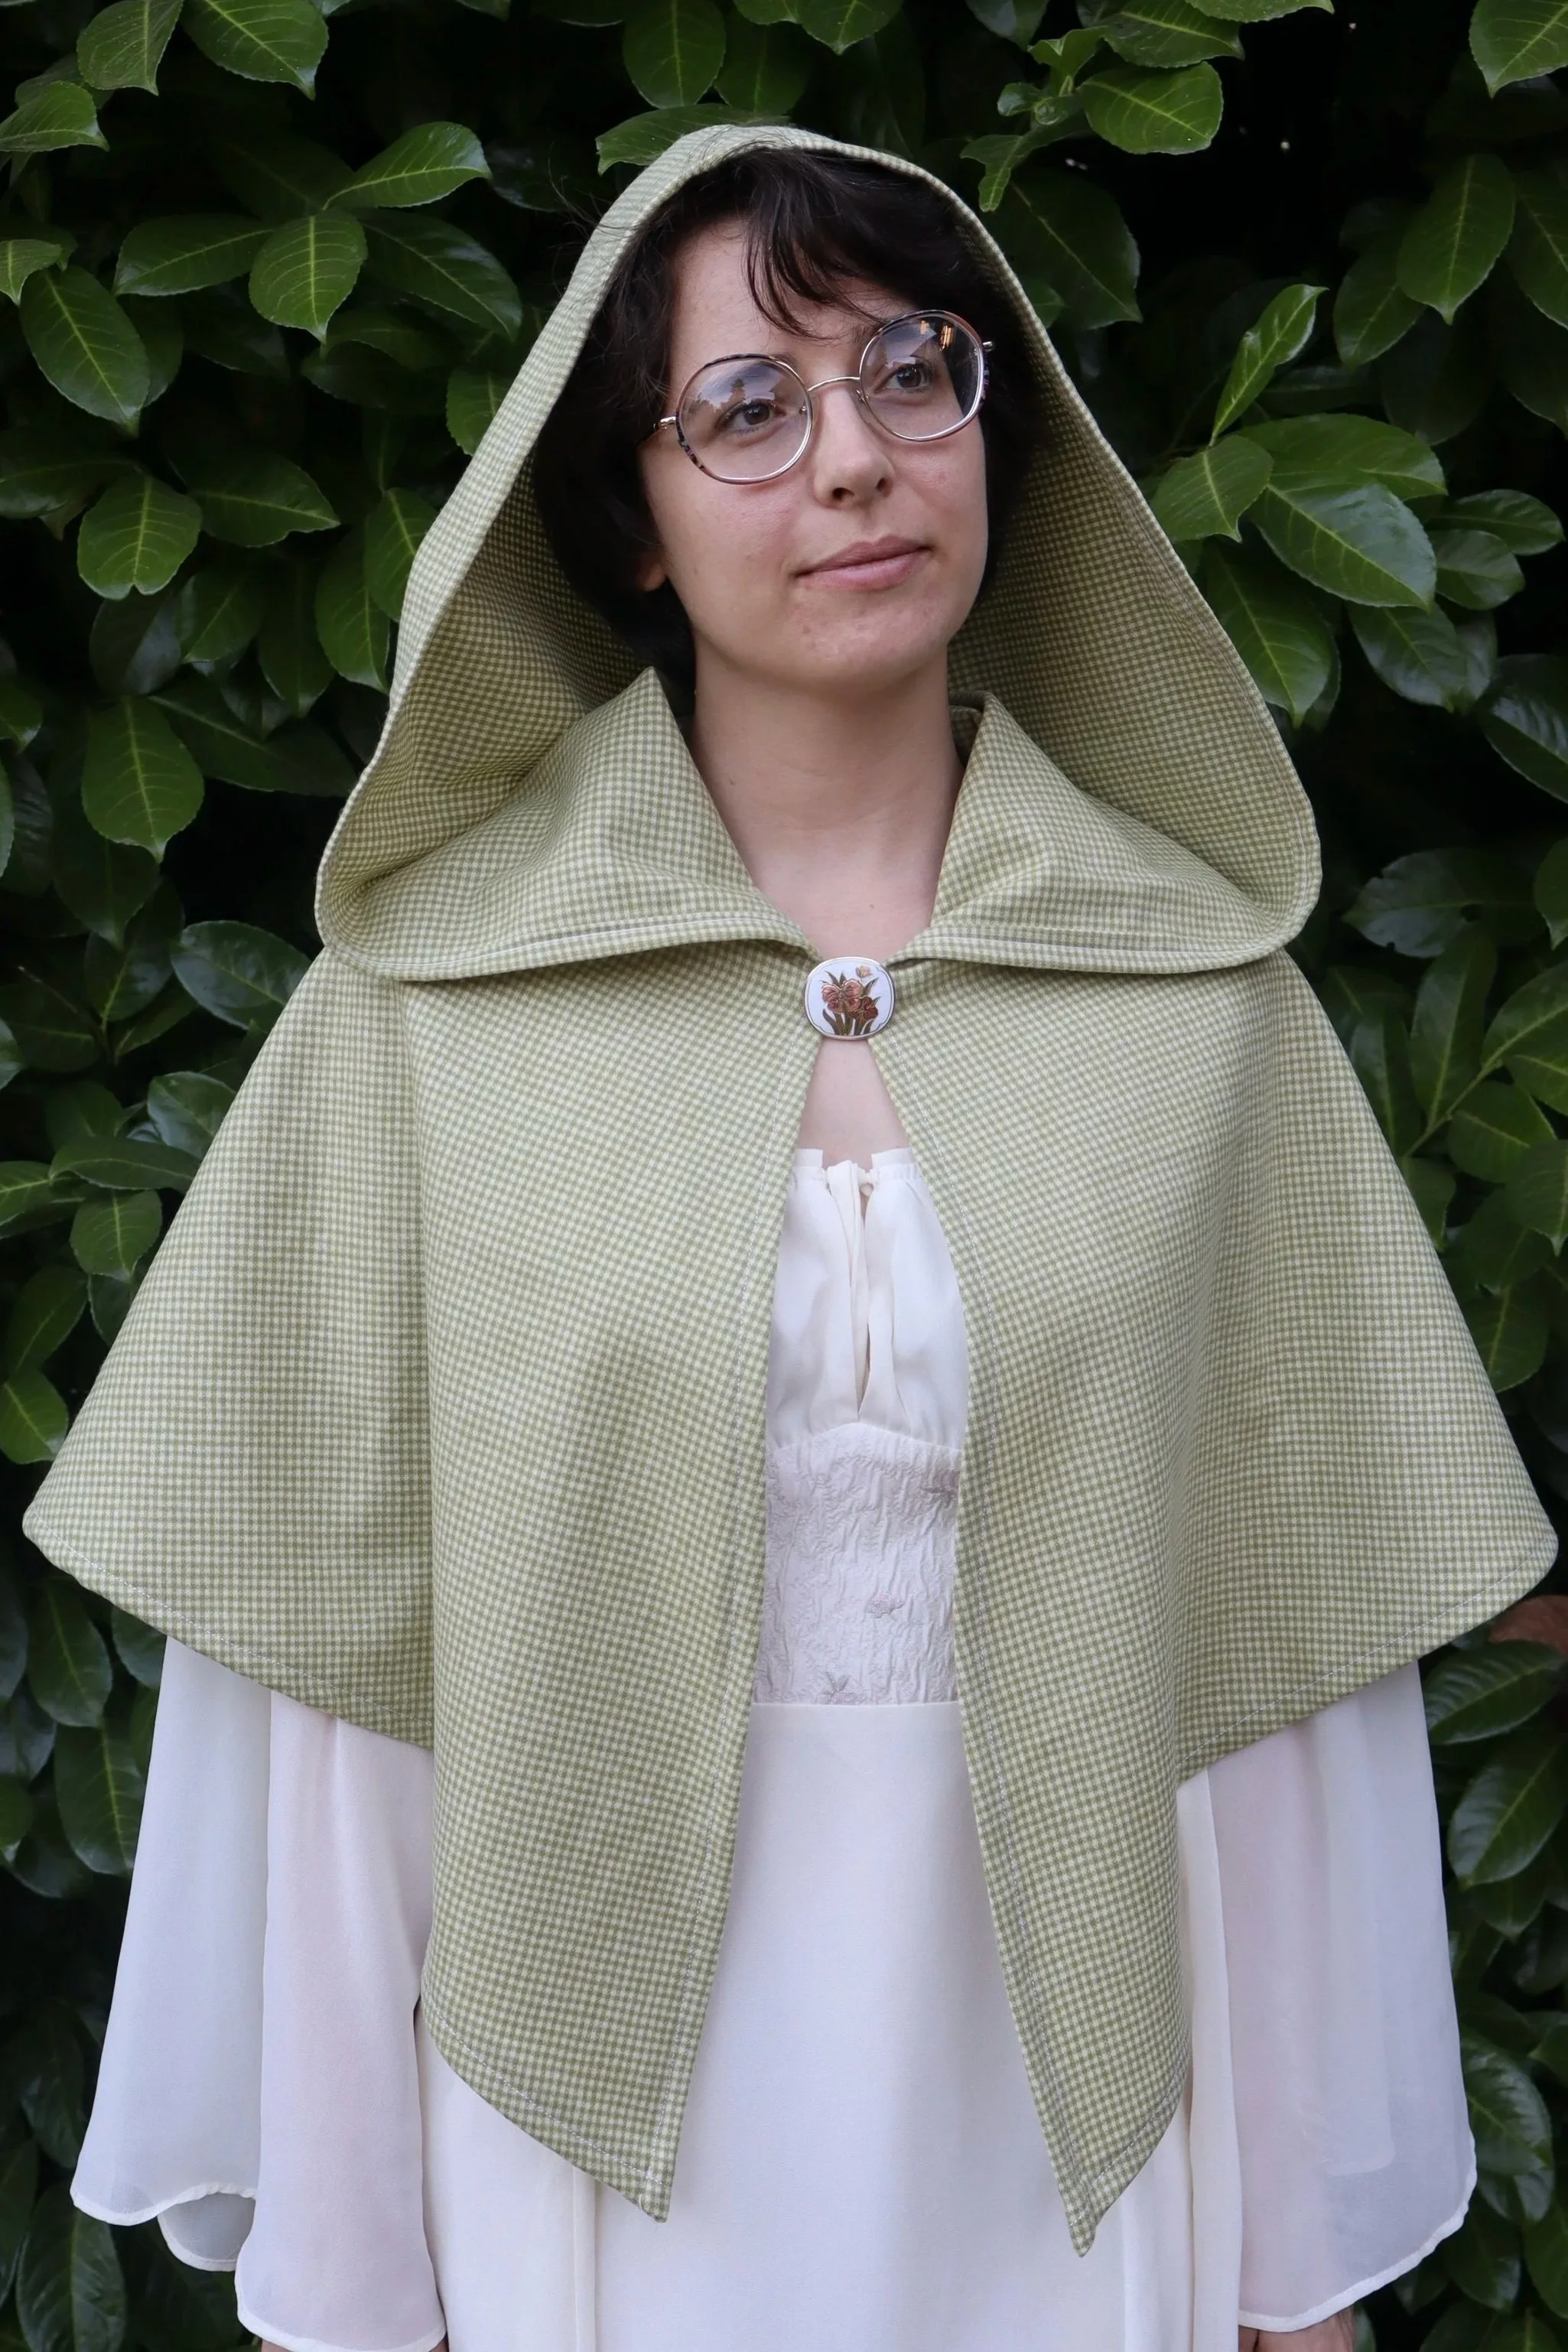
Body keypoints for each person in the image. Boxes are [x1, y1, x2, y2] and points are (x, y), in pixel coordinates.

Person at [25, 125, 1554, 2352]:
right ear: (627, 531)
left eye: (915, 373)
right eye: (750, 407)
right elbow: (336, 1671)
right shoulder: (437, 1011)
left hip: (1074, 2105)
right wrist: (357, 2280)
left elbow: (1269, 1657)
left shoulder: (1193, 998)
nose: (854, 461)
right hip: (580, 2124)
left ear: (994, 434)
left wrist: (1287, 2274)